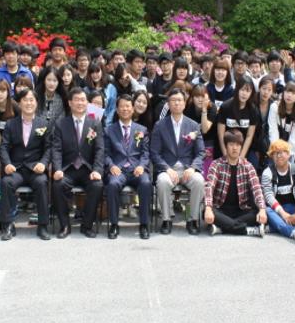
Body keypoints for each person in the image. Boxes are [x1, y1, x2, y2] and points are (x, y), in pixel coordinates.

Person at [0, 87, 52, 241]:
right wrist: (7, 164)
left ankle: (42, 225)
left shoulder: (44, 123)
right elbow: (4, 147)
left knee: (42, 182)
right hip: (17, 169)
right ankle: (8, 225)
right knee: (6, 182)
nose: (29, 103)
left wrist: (43, 163)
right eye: (25, 100)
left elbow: (49, 148)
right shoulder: (11, 124)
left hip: (35, 169)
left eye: (31, 100)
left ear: (36, 103)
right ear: (19, 103)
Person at [150, 88, 205, 235]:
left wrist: (193, 168)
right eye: (173, 100)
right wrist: (167, 169)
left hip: (187, 169)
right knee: (162, 181)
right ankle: (166, 219)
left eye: (179, 100)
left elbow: (201, 152)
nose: (176, 103)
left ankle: (192, 219)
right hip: (168, 168)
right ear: (168, 104)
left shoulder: (193, 125)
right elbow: (154, 153)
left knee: (199, 181)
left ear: (185, 104)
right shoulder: (159, 126)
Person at [51, 88, 105, 238]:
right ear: (70, 103)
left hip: (88, 169)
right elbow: (56, 149)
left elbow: (100, 149)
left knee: (97, 185)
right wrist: (57, 169)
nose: (80, 103)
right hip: (68, 168)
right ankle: (65, 226)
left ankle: (87, 225)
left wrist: (97, 170)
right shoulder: (61, 124)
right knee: (58, 185)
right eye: (77, 100)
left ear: (87, 103)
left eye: (83, 100)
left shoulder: (95, 123)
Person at [104, 95, 152, 239]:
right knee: (112, 184)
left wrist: (142, 166)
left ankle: (144, 224)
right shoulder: (109, 130)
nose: (125, 109)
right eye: (122, 106)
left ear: (132, 109)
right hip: (118, 169)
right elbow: (105, 153)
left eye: (128, 106)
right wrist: (111, 165)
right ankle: (114, 224)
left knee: (146, 183)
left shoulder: (142, 130)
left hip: (136, 169)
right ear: (117, 110)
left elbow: (145, 153)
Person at [203, 129, 267, 236]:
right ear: (226, 146)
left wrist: (262, 209)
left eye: (238, 145)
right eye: (231, 144)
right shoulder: (216, 164)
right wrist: (208, 208)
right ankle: (248, 231)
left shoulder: (248, 166)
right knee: (206, 212)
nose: (235, 148)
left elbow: (256, 189)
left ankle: (222, 228)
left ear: (241, 147)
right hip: (221, 209)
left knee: (258, 213)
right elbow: (209, 187)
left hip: (241, 210)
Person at [260, 139, 295, 239]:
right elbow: (268, 197)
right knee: (267, 210)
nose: (279, 155)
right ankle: (293, 232)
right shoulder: (267, 172)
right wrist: (283, 214)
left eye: (282, 152)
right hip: (276, 210)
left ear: (288, 154)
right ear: (271, 157)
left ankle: (272, 227)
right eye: (275, 153)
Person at [215, 75, 259, 167]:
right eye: (242, 90)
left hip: (243, 149)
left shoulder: (253, 110)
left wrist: (241, 157)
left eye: (248, 91)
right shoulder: (225, 107)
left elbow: (249, 136)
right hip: (226, 147)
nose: (244, 94)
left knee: (253, 163)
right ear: (237, 89)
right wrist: (226, 155)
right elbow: (220, 134)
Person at [267, 82, 295, 159]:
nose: (289, 95)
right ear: (283, 93)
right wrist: (277, 151)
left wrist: (286, 153)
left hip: (290, 151)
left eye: (293, 93)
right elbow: (273, 130)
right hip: (275, 147)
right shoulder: (274, 107)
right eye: (287, 91)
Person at [185, 85, 217, 178]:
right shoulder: (188, 107)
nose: (200, 99)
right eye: (197, 96)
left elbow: (205, 129)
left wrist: (204, 110)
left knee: (206, 170)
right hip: (193, 140)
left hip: (208, 141)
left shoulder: (212, 107)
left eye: (202, 96)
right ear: (192, 97)